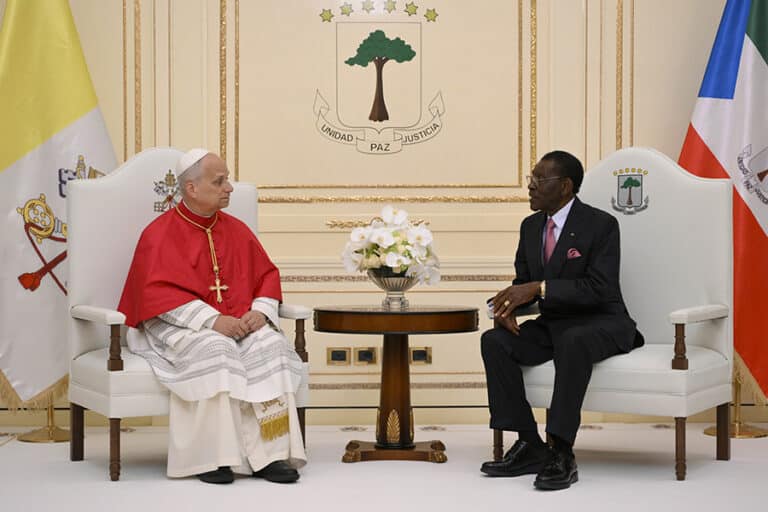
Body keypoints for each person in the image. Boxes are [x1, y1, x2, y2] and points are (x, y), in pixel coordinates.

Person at [118, 148, 306, 484]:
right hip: (179, 324)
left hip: (238, 321)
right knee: (216, 350)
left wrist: (260, 312)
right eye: (219, 182)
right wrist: (211, 320)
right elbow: (153, 293)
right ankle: (212, 457)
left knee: (270, 345)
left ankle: (269, 455)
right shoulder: (158, 234)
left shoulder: (237, 230)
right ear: (191, 188)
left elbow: (266, 275)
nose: (229, 188)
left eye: (227, 180)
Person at [479, 150, 643, 490]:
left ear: (565, 186)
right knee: (494, 341)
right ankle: (529, 444)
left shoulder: (600, 225)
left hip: (602, 321)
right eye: (532, 179)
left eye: (540, 180)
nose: (531, 186)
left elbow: (600, 288)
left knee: (573, 339)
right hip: (555, 324)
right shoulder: (530, 227)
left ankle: (562, 451)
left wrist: (539, 288)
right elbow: (525, 283)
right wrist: (508, 308)